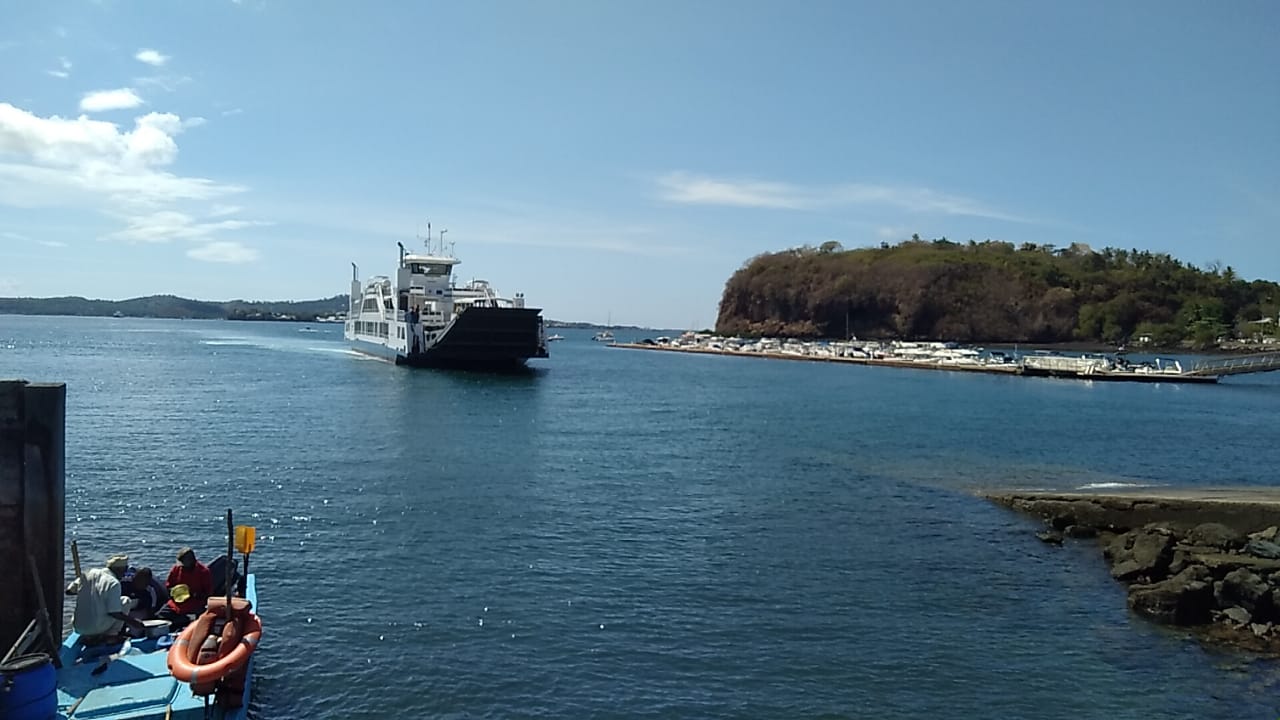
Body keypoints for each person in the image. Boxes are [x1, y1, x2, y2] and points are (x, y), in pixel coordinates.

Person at [65, 554, 145, 644]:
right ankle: (111, 636)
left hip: (78, 627)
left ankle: (90, 635)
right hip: (96, 628)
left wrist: (87, 590)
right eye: (125, 570)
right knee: (125, 600)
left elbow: (69, 591)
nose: (125, 574)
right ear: (118, 569)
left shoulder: (88, 574)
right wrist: (133, 621)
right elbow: (114, 613)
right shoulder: (113, 583)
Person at [159, 547, 213, 630]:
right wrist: (172, 591)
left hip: (195, 603)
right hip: (176, 603)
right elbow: (169, 585)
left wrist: (193, 594)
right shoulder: (176, 568)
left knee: (200, 619)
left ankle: (185, 622)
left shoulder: (203, 571)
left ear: (191, 560)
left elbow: (208, 592)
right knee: (160, 615)